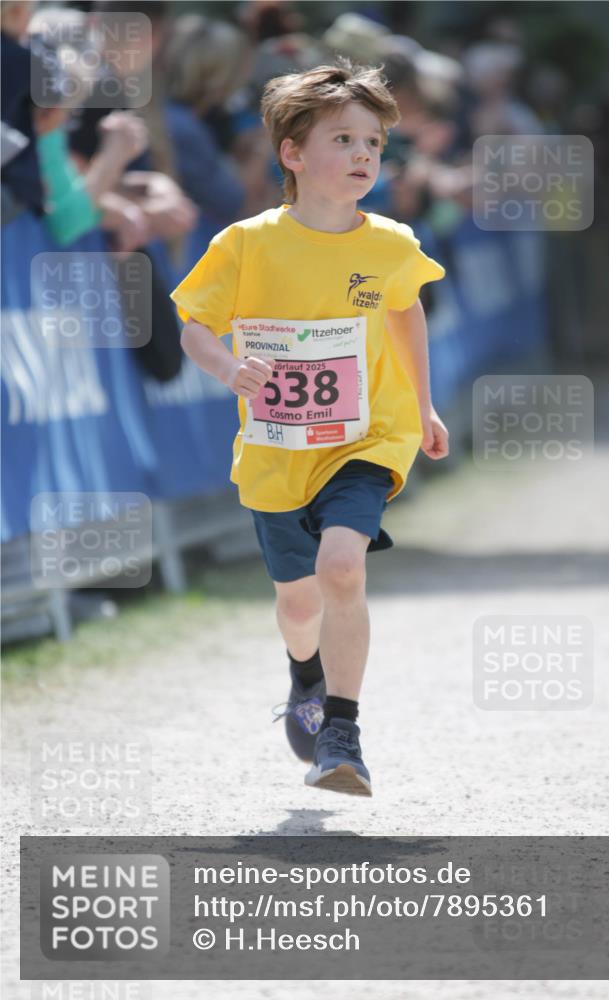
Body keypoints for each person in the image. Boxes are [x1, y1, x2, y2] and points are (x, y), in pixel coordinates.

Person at [170, 58, 448, 797]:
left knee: (342, 569)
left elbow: (404, 311)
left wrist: (422, 408)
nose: (364, 156)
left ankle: (343, 737)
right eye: (345, 140)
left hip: (365, 440)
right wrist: (230, 370)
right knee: (298, 602)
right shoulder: (247, 244)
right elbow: (192, 325)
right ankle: (305, 679)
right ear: (293, 155)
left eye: (374, 145)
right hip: (276, 452)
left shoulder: (389, 244)